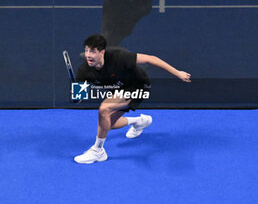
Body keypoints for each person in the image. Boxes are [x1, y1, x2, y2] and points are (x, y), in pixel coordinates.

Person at [74, 34, 191, 164]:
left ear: (102, 52)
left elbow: (151, 59)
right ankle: (139, 121)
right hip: (119, 90)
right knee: (107, 125)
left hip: (138, 85)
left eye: (92, 51)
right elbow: (79, 98)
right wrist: (76, 96)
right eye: (86, 50)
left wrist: (177, 73)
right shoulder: (83, 71)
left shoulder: (118, 57)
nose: (88, 55)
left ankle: (98, 151)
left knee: (104, 109)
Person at [76, 0, 190, 46]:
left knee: (112, 40)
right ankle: (105, 42)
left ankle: (107, 56)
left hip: (128, 10)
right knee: (108, 6)